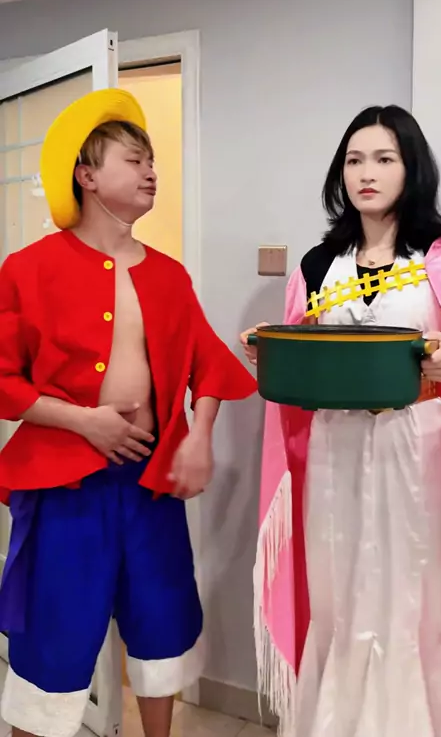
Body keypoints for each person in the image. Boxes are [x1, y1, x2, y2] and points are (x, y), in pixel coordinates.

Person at [0, 88, 257, 737]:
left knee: (160, 625)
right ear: (86, 176)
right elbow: (3, 378)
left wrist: (199, 436)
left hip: (150, 486)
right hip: (63, 489)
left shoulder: (169, 276)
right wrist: (84, 421)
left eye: (153, 162)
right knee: (52, 637)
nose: (151, 172)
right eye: (134, 159)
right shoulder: (28, 269)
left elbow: (209, 365)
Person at [241, 105, 441, 737]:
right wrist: (275, 352)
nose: (366, 173)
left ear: (411, 169)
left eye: (383, 158)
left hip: (418, 446)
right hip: (334, 446)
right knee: (338, 593)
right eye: (354, 160)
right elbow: (307, 368)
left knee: (417, 597)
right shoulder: (319, 266)